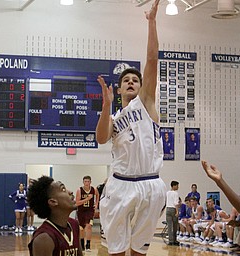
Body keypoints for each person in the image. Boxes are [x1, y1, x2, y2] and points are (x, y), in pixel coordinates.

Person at [95, 0, 166, 255]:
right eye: (126, 80)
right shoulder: (114, 116)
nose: (132, 82)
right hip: (120, 183)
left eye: (135, 80)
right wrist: (105, 105)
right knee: (116, 250)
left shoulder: (145, 103)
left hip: (150, 182)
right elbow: (101, 138)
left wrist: (152, 22)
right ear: (119, 88)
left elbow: (152, 59)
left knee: (139, 251)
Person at [27, 176, 83, 256]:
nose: (70, 192)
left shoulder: (74, 224)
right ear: (53, 202)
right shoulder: (44, 238)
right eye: (63, 189)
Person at [75, 175, 99, 252]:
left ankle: (88, 245)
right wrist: (87, 199)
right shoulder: (79, 190)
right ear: (83, 182)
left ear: (90, 182)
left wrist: (96, 204)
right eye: (85, 181)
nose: (87, 183)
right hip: (81, 211)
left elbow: (97, 195)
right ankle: (82, 245)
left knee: (89, 226)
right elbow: (77, 203)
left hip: (90, 211)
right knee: (81, 229)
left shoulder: (94, 189)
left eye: (88, 181)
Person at [166, 181, 180, 246]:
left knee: (169, 226)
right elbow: (176, 203)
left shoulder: (167, 193)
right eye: (177, 185)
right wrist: (177, 211)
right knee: (175, 226)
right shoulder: (175, 193)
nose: (178, 187)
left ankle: (170, 240)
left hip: (168, 209)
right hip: (173, 209)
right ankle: (174, 240)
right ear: (173, 186)